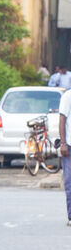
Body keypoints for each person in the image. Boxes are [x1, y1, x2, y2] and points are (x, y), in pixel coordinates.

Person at [60, 87, 71, 226]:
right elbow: (62, 119)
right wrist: (63, 143)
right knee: (70, 182)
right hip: (69, 145)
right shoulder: (68, 96)